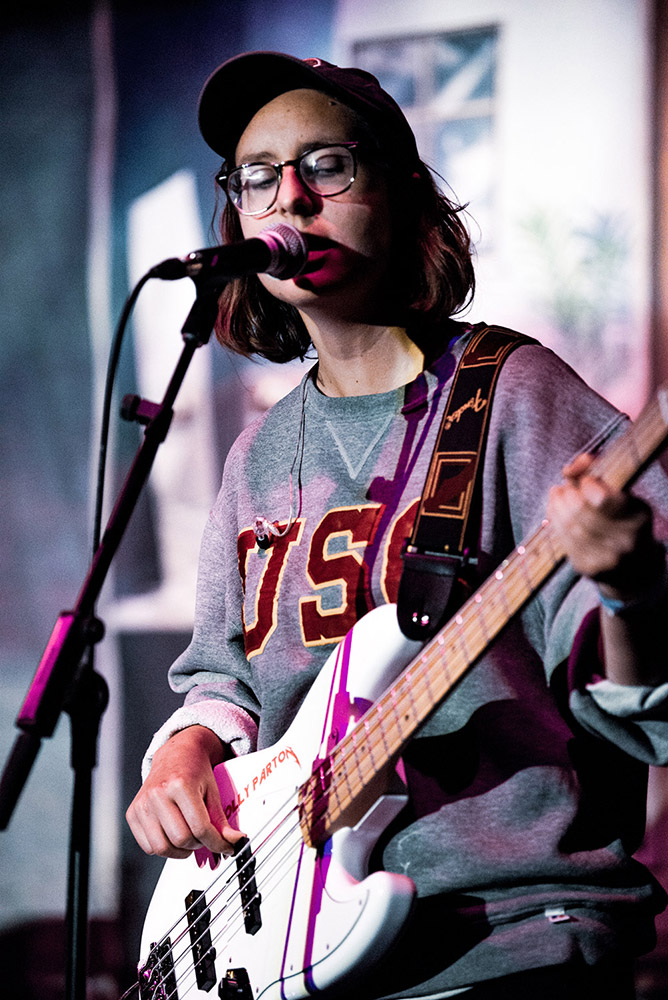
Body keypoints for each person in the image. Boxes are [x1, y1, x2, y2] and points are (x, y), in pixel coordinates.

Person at [126, 51, 668, 999]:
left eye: (327, 166)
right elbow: (225, 677)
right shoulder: (258, 455)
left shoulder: (512, 395)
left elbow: (639, 701)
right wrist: (185, 747)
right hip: (303, 945)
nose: (290, 198)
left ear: (404, 194)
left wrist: (629, 585)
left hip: (512, 935)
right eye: (258, 178)